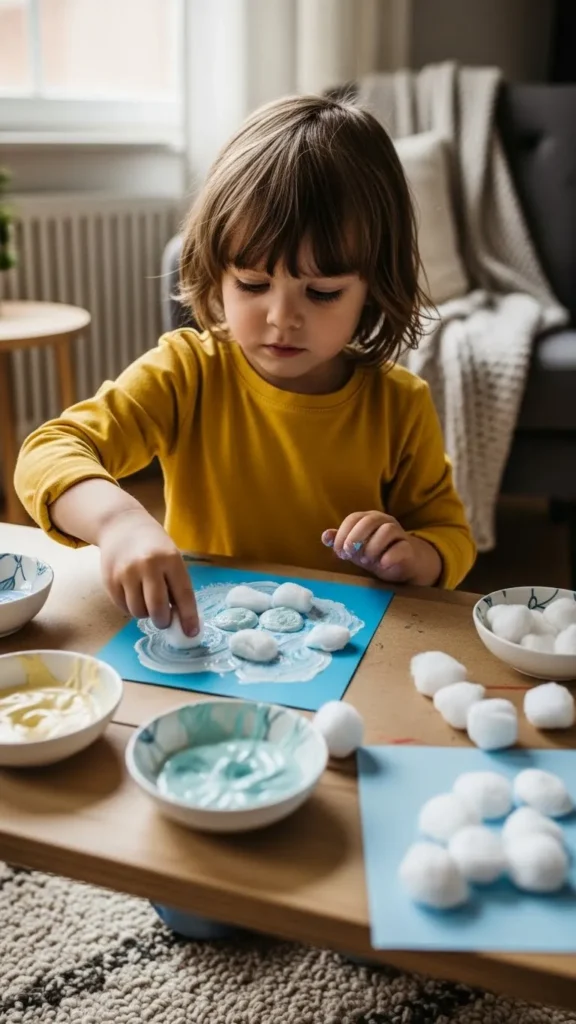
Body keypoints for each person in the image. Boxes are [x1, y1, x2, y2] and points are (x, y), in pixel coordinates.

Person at [15, 94, 476, 939]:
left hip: (350, 682)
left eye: (321, 289)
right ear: (215, 273)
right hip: (204, 671)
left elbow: (452, 537)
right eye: (253, 283)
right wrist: (119, 520)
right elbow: (49, 450)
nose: (279, 315)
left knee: (373, 901)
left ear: (376, 287)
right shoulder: (190, 370)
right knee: (206, 912)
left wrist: (416, 554)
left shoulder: (397, 405)